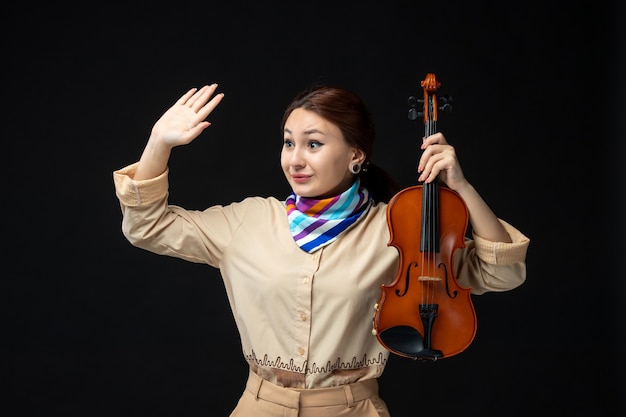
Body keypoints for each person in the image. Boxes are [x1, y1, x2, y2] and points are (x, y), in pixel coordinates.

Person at [113, 83, 529, 417]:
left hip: (354, 408)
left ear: (355, 155)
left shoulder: (399, 225)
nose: (295, 159)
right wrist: (158, 143)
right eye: (288, 143)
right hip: (260, 406)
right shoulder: (248, 221)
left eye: (313, 144)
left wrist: (462, 188)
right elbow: (146, 227)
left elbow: (501, 274)